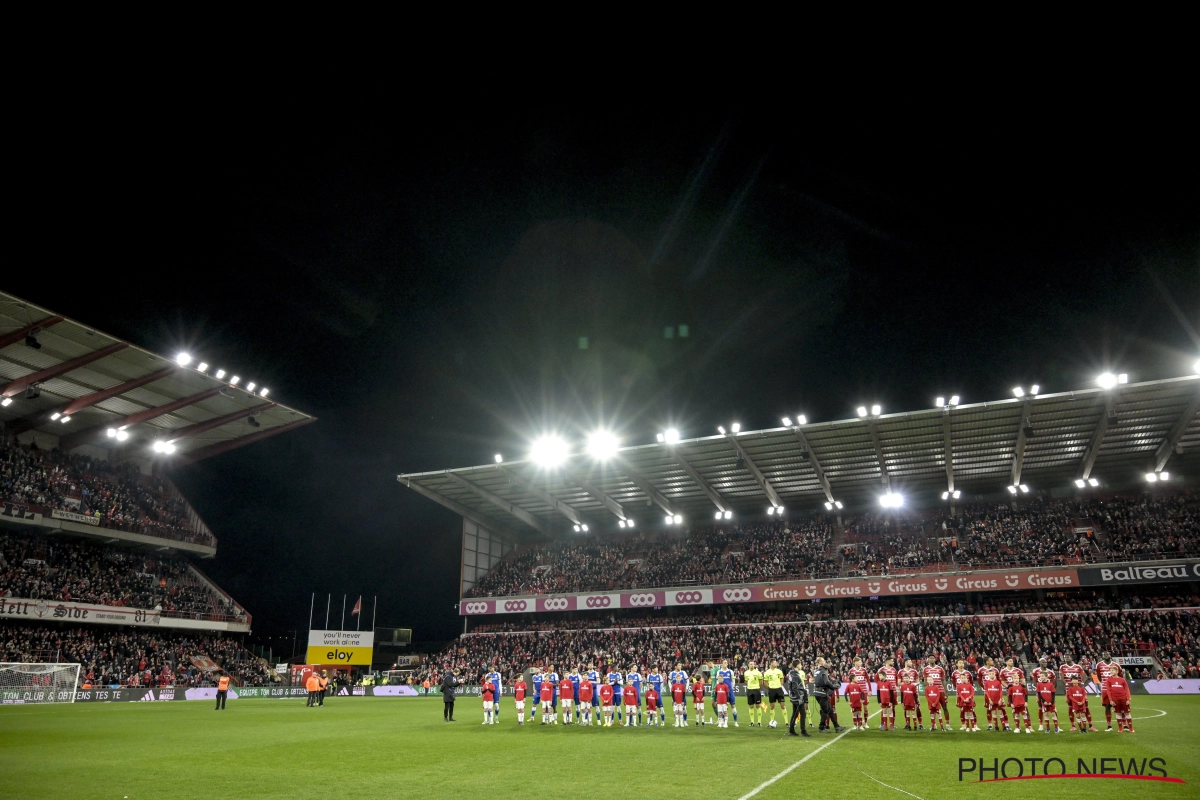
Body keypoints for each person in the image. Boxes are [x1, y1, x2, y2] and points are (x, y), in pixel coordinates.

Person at [811, 658, 844, 733]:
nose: (828, 671)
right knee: (825, 710)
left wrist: (834, 681)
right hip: (822, 693)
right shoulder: (823, 672)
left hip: (817, 692)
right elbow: (826, 682)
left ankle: (836, 726)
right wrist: (834, 686)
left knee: (829, 709)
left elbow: (827, 680)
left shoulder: (817, 671)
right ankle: (821, 727)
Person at [1104, 667, 1133, 733]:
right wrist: (1111, 700)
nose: (1111, 671)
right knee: (1118, 713)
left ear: (1117, 671)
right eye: (1110, 670)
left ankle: (1131, 728)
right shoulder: (1109, 680)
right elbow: (1108, 691)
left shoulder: (1122, 680)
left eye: (1113, 670)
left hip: (1124, 699)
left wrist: (1129, 699)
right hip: (1115, 699)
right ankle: (1120, 728)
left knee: (1127, 713)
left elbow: (1127, 690)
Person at [1095, 652, 1119, 731]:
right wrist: (1104, 683)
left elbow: (1120, 676)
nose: (1106, 656)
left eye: (1107, 654)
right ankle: (1109, 726)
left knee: (1119, 706)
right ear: (1102, 656)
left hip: (1116, 689)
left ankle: (1123, 725)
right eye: (1104, 655)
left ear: (1110, 655)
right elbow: (1098, 676)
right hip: (1105, 689)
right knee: (1107, 707)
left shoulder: (1116, 665)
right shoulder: (1099, 665)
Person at [920, 658, 946, 732]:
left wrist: (935, 703)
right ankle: (933, 726)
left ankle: (942, 727)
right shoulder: (927, 688)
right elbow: (927, 696)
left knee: (939, 714)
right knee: (932, 715)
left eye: (931, 680)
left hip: (936, 703)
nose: (930, 681)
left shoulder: (936, 687)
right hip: (931, 704)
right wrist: (932, 703)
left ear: (933, 680)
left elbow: (938, 695)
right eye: (929, 680)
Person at [786, 660, 810, 737]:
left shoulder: (791, 673)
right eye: (800, 664)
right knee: (803, 713)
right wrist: (799, 697)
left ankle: (791, 730)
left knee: (795, 713)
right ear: (797, 665)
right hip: (797, 697)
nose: (801, 666)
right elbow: (795, 687)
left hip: (793, 696)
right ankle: (803, 731)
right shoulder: (795, 675)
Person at [899, 659, 923, 730]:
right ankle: (907, 724)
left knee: (918, 707)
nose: (911, 663)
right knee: (906, 709)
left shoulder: (914, 671)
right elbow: (899, 683)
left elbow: (918, 681)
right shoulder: (901, 671)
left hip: (914, 692)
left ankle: (920, 724)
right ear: (906, 662)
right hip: (906, 692)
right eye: (910, 662)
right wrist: (906, 685)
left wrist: (913, 684)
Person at [716, 659, 738, 727]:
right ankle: (723, 721)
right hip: (722, 692)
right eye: (724, 663)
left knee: (733, 706)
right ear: (721, 664)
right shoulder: (719, 672)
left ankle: (735, 721)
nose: (726, 664)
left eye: (726, 663)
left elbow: (733, 681)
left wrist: (731, 688)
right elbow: (717, 682)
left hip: (730, 691)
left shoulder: (730, 671)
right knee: (723, 707)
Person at [764, 660, 786, 728]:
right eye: (774, 662)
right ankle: (772, 721)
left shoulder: (779, 671)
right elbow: (765, 682)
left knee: (782, 705)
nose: (776, 663)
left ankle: (787, 722)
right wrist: (770, 688)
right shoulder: (767, 672)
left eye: (776, 662)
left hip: (779, 689)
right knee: (772, 706)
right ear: (771, 663)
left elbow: (782, 681)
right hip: (772, 690)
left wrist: (778, 686)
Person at [743, 660, 764, 727]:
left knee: (758, 705)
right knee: (751, 706)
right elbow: (746, 681)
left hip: (756, 690)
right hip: (749, 690)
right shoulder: (746, 673)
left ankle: (759, 722)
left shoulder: (758, 672)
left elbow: (761, 681)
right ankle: (752, 722)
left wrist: (758, 688)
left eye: (753, 664)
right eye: (751, 664)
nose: (752, 665)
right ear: (748, 665)